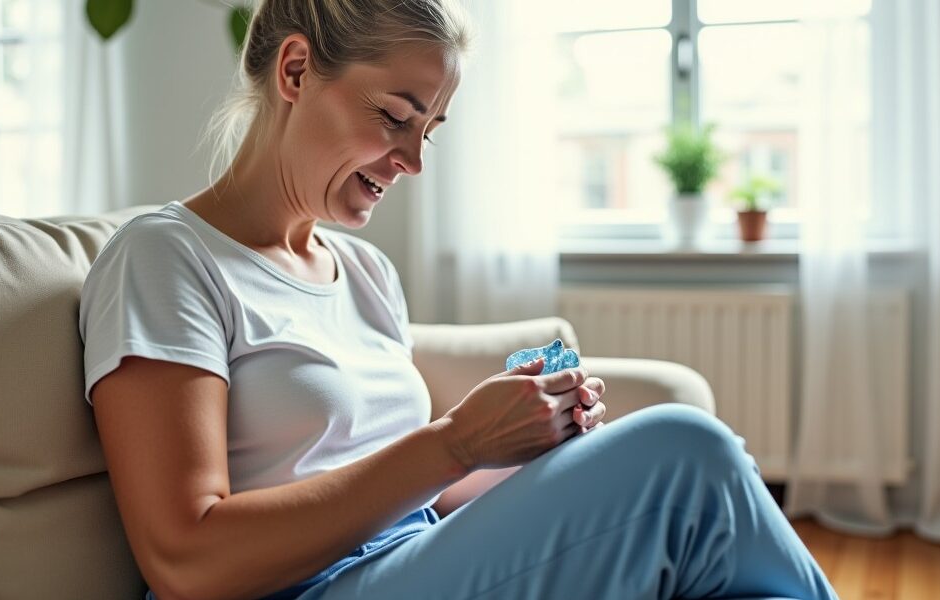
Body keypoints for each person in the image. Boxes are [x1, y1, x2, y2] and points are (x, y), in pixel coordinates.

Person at [78, 1, 837, 598]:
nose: (412, 159)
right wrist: (455, 441)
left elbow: (411, 498)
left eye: (429, 130)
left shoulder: (365, 272)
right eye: (394, 116)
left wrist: (526, 442)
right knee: (688, 449)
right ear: (297, 70)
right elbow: (185, 560)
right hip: (309, 590)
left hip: (413, 562)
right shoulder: (167, 257)